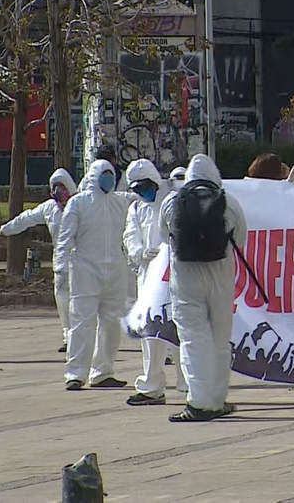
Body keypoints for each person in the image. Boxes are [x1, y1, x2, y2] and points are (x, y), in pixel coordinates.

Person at [159, 154, 247, 422]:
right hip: (220, 274)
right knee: (220, 338)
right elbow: (240, 240)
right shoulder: (228, 202)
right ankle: (218, 400)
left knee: (192, 337)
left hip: (185, 277)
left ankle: (199, 402)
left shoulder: (172, 202)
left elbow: (164, 238)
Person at [55, 160, 133, 390]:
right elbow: (65, 238)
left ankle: (102, 371)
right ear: (94, 175)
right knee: (82, 323)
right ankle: (75, 373)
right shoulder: (78, 203)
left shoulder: (120, 201)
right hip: (85, 271)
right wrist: (61, 267)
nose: (108, 179)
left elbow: (147, 199)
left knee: (110, 324)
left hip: (115, 271)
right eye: (104, 174)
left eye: (111, 174)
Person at [0, 168, 78, 352]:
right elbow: (26, 218)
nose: (60, 194)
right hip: (61, 263)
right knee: (62, 301)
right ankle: (69, 338)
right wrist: (6, 229)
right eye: (56, 190)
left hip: (82, 262)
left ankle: (83, 337)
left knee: (81, 302)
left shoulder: (81, 204)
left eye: (63, 189)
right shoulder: (49, 208)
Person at [123, 159, 183, 406]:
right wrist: (139, 253)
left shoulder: (175, 200)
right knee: (151, 335)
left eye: (145, 187)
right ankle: (152, 386)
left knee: (182, 333)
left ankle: (190, 385)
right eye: (137, 189)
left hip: (175, 277)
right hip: (148, 280)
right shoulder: (137, 209)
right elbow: (130, 236)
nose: (142, 192)